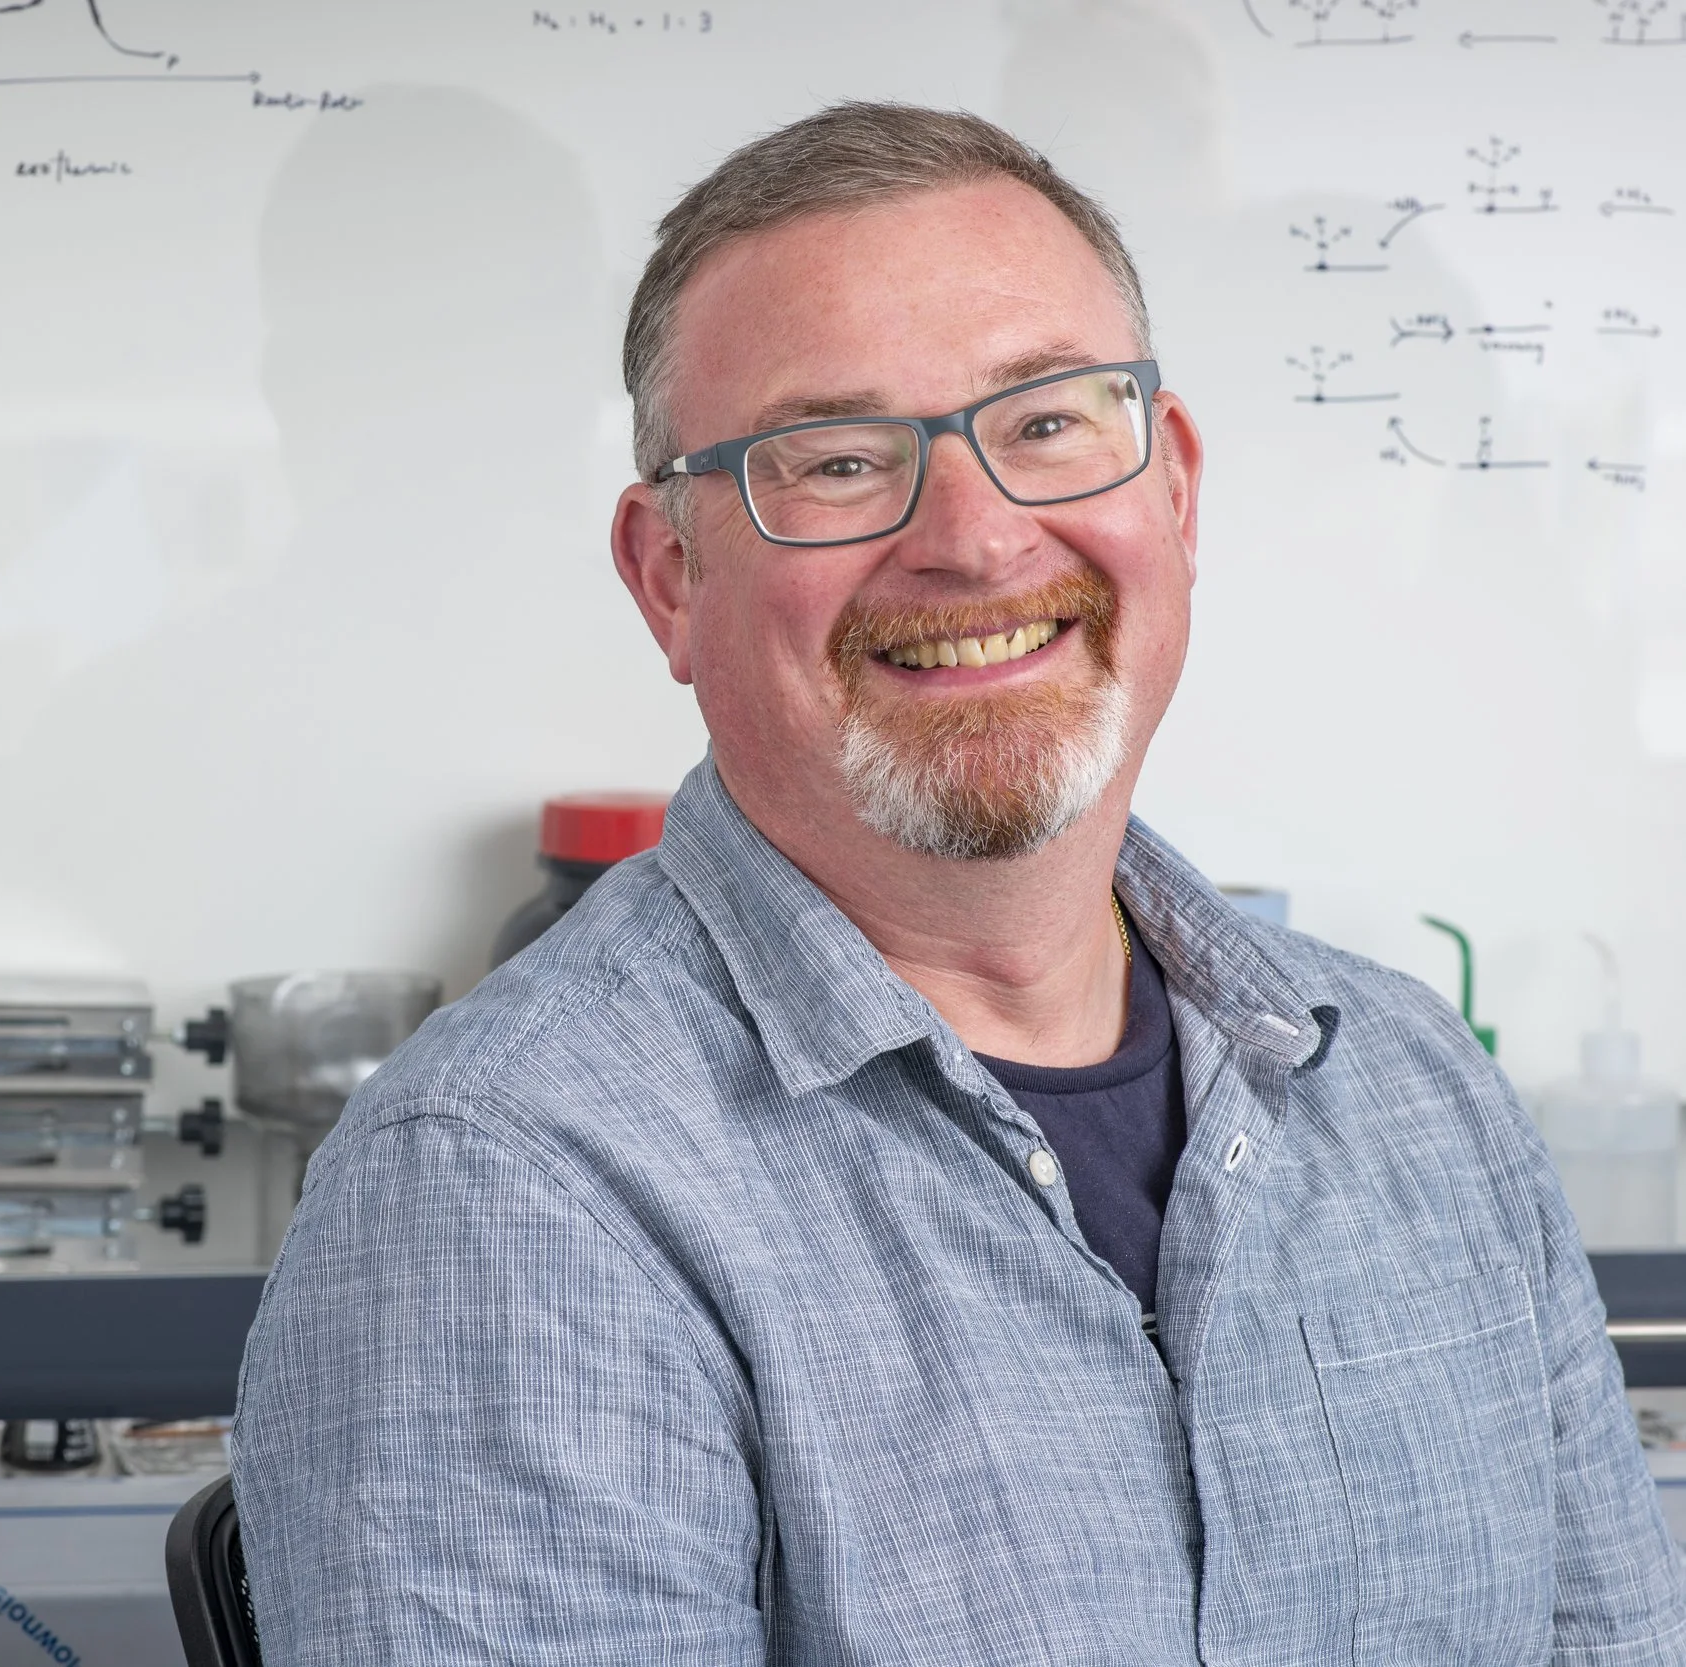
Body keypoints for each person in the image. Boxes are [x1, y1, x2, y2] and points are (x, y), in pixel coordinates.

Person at [230, 102, 1686, 1664]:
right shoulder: (512, 1184)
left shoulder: (1421, 1098)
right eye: (841, 461)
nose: (980, 540)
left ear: (1174, 492)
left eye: (1048, 421)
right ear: (670, 577)